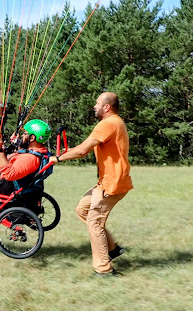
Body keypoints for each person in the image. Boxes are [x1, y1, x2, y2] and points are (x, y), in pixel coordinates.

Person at [49, 92, 133, 277]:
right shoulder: (112, 123)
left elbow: (82, 151)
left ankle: (104, 270)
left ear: (107, 107)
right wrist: (65, 152)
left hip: (112, 184)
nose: (94, 106)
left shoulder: (109, 124)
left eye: (97, 103)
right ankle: (112, 249)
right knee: (83, 209)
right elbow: (83, 147)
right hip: (106, 181)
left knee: (95, 222)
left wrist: (57, 158)